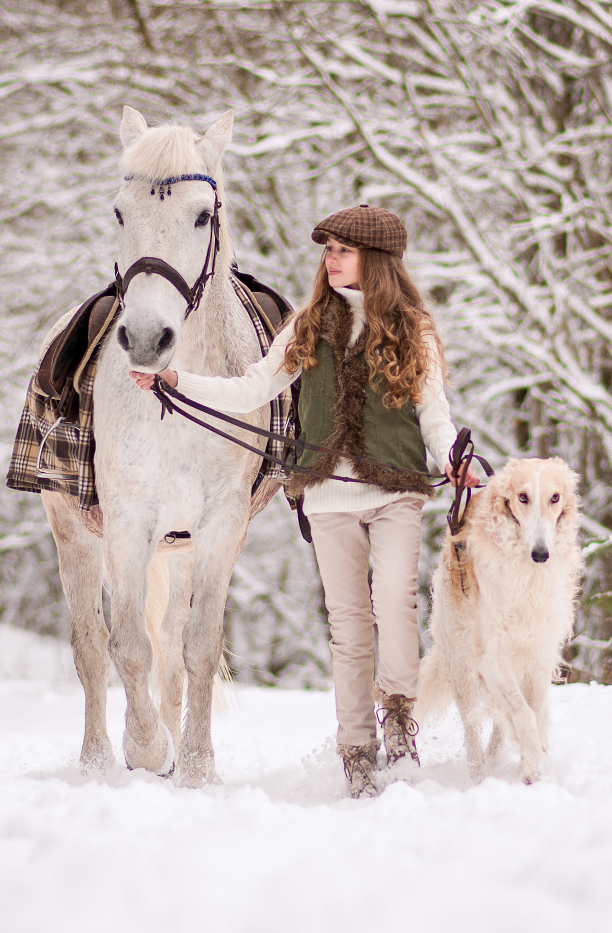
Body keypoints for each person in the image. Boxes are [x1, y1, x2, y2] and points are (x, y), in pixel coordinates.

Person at [132, 204, 475, 798]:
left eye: (343, 249)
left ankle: (398, 716)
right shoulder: (306, 325)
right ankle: (356, 748)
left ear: (378, 258)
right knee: (348, 627)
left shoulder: (413, 329)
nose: (330, 258)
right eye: (327, 249)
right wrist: (177, 381)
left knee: (395, 604)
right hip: (326, 497)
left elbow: (434, 415)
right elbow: (251, 387)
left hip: (395, 491)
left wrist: (453, 458)